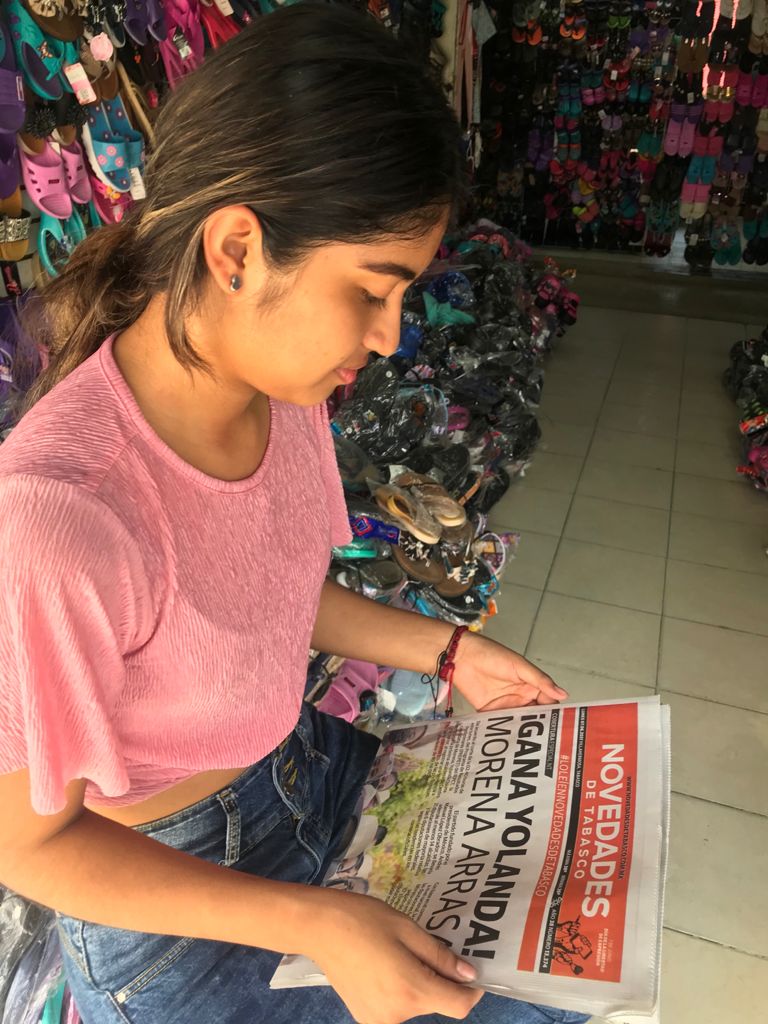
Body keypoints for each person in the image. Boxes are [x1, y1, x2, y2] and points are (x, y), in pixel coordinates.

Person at [0, 6, 590, 1024]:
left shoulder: (281, 393)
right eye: (371, 291)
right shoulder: (60, 518)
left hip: (309, 774)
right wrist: (313, 922)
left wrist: (450, 651)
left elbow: (271, 593)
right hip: (176, 913)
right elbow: (29, 846)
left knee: (559, 967)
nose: (391, 336)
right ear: (237, 249)